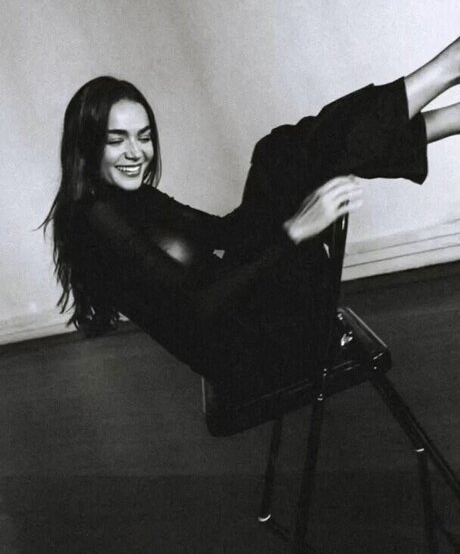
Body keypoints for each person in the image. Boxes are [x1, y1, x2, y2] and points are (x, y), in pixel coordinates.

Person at [43, 37, 460, 432]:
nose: (136, 153)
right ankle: (445, 72)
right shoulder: (95, 219)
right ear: (86, 144)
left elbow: (227, 232)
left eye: (144, 136)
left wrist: (290, 205)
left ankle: (449, 102)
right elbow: (197, 310)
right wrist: (294, 231)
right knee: (292, 157)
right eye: (116, 140)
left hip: (250, 319)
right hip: (257, 356)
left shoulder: (131, 198)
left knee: (277, 151)